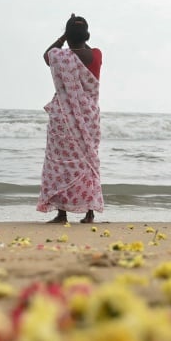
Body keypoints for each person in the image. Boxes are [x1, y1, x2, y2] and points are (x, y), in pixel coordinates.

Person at [37, 13, 104, 224]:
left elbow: (46, 55)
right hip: (88, 117)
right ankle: (89, 213)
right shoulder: (96, 55)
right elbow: (84, 48)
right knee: (87, 162)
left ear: (67, 35)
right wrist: (75, 32)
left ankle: (61, 214)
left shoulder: (59, 56)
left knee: (60, 163)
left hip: (62, 118)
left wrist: (64, 36)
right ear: (87, 34)